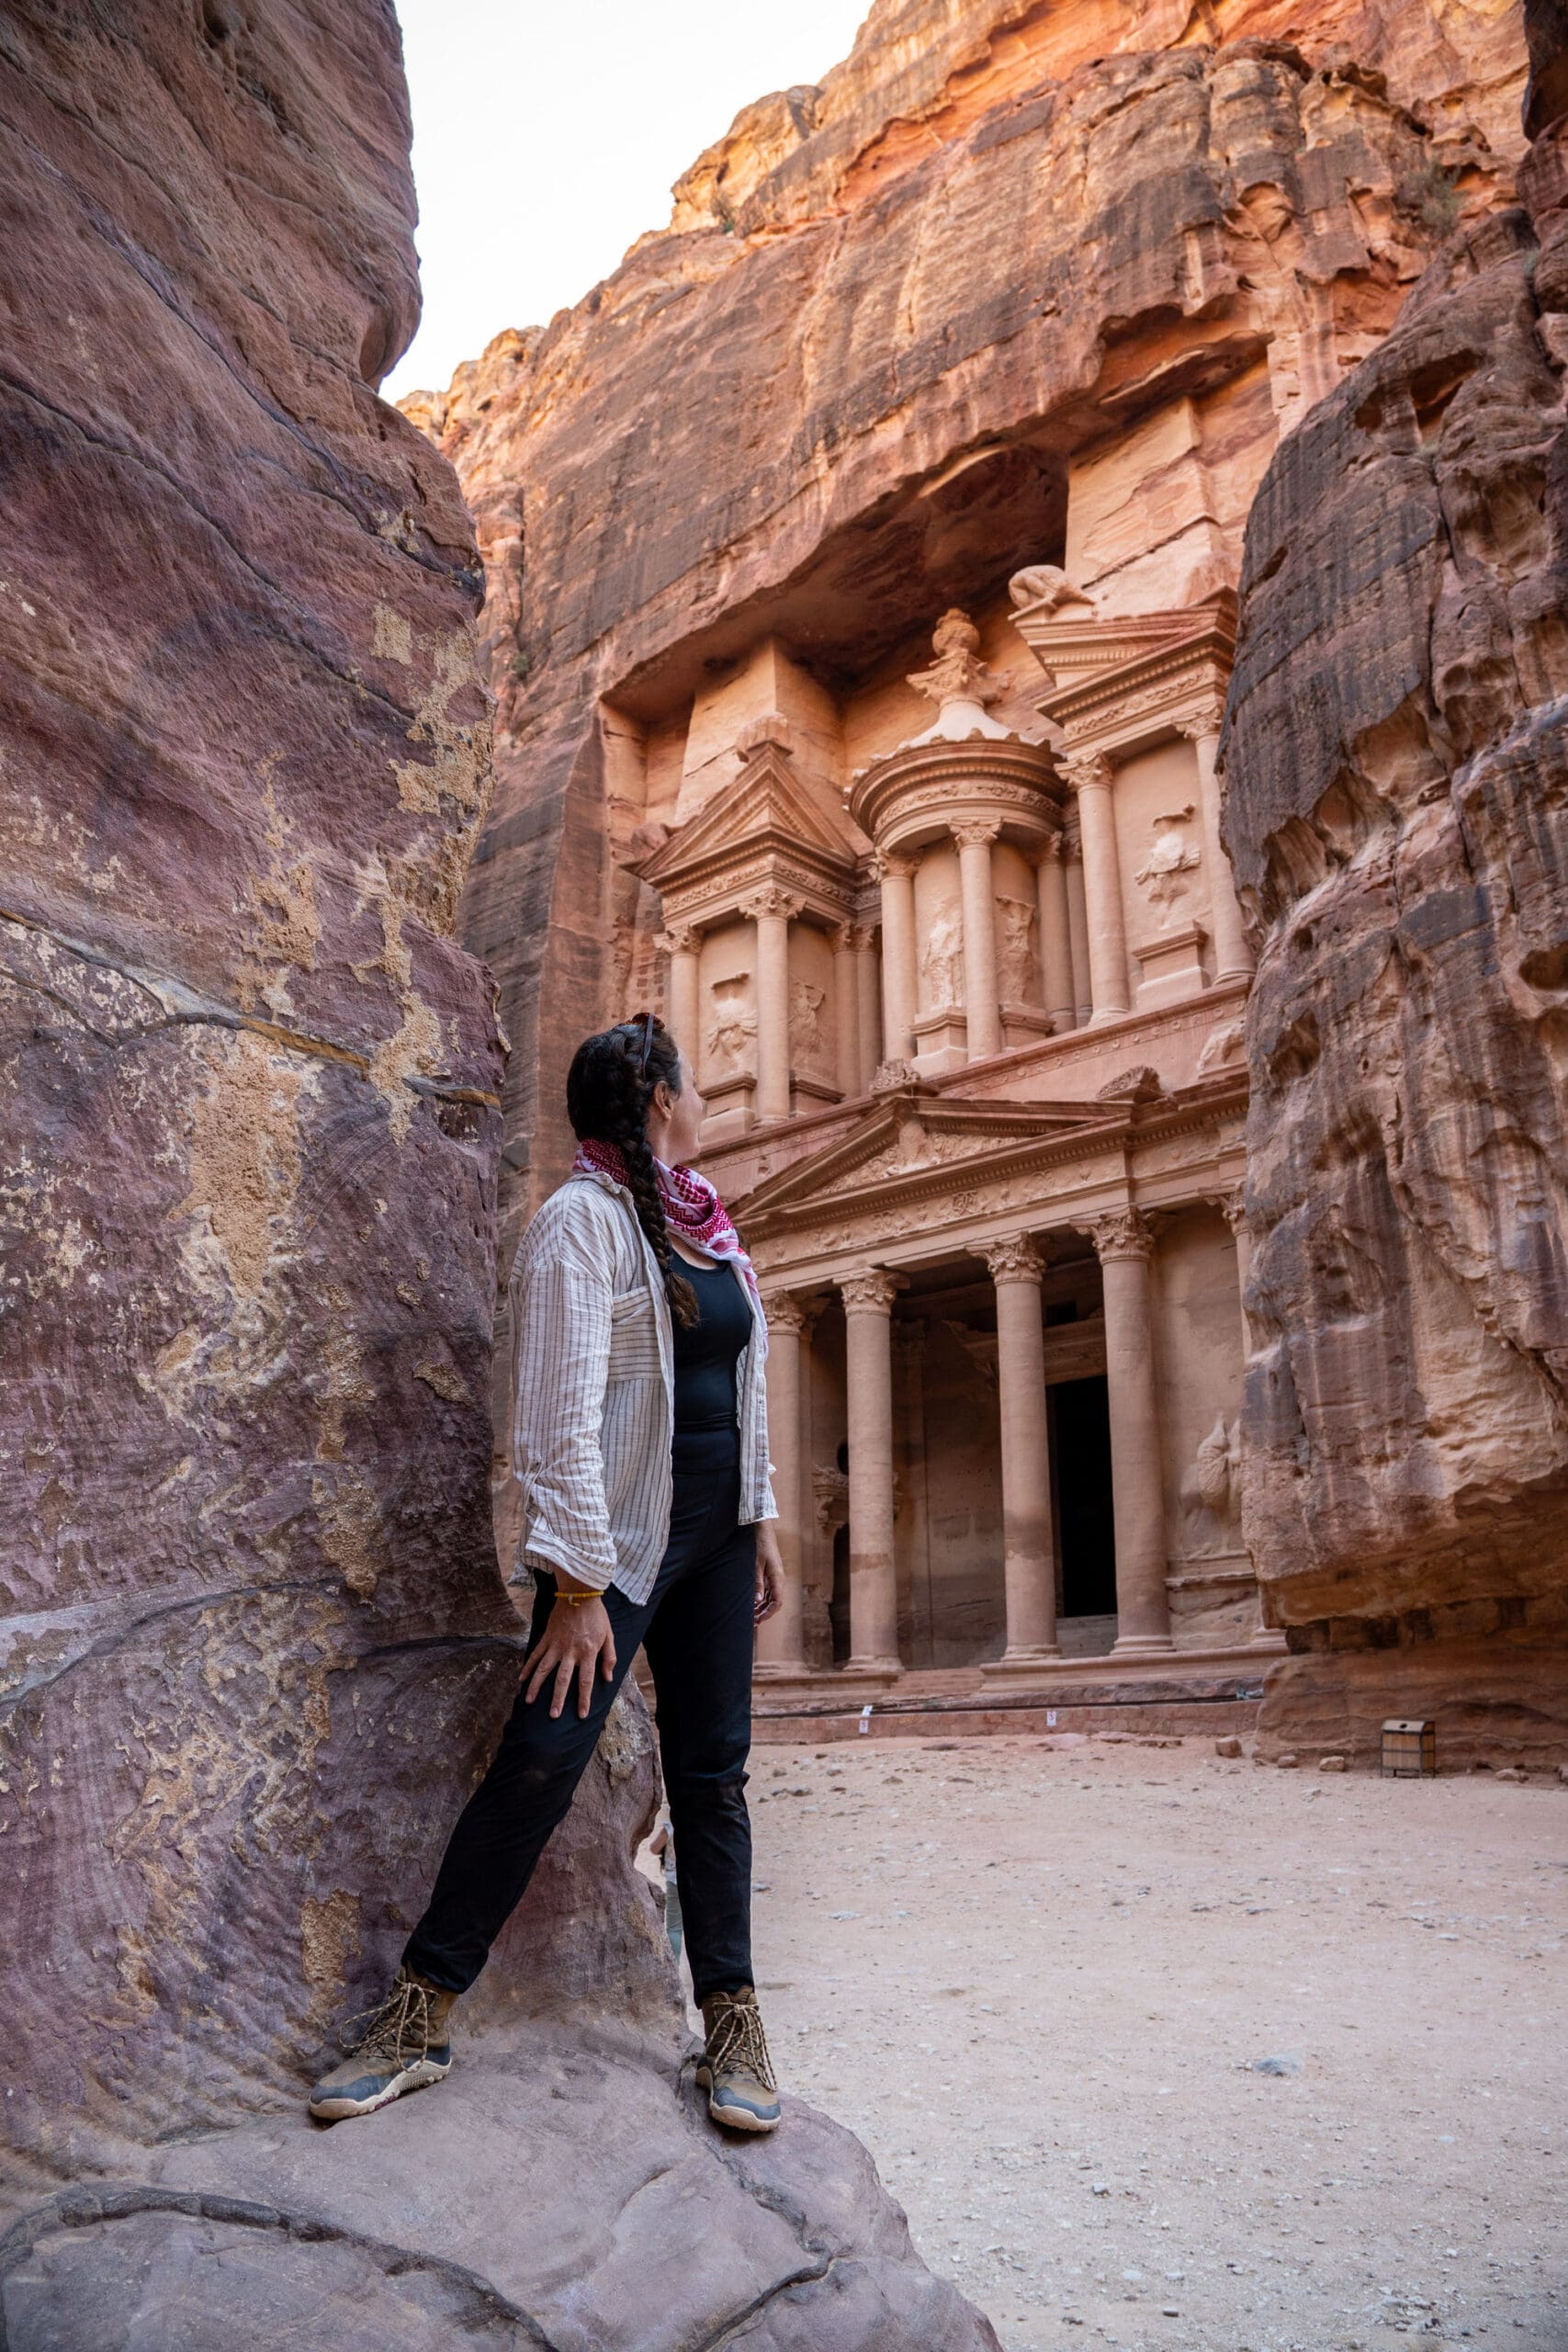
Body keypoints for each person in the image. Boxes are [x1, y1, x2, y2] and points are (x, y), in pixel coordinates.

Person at [309, 1013, 786, 2132]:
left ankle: (733, 2018)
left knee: (716, 1778)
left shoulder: (708, 1231)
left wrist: (759, 1513)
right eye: (695, 1088)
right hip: (614, 1548)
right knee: (539, 1762)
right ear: (661, 1099)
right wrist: (575, 1589)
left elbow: (743, 1383)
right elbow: (554, 1424)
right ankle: (417, 2016)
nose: (706, 1104)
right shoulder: (578, 1227)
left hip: (715, 1538)